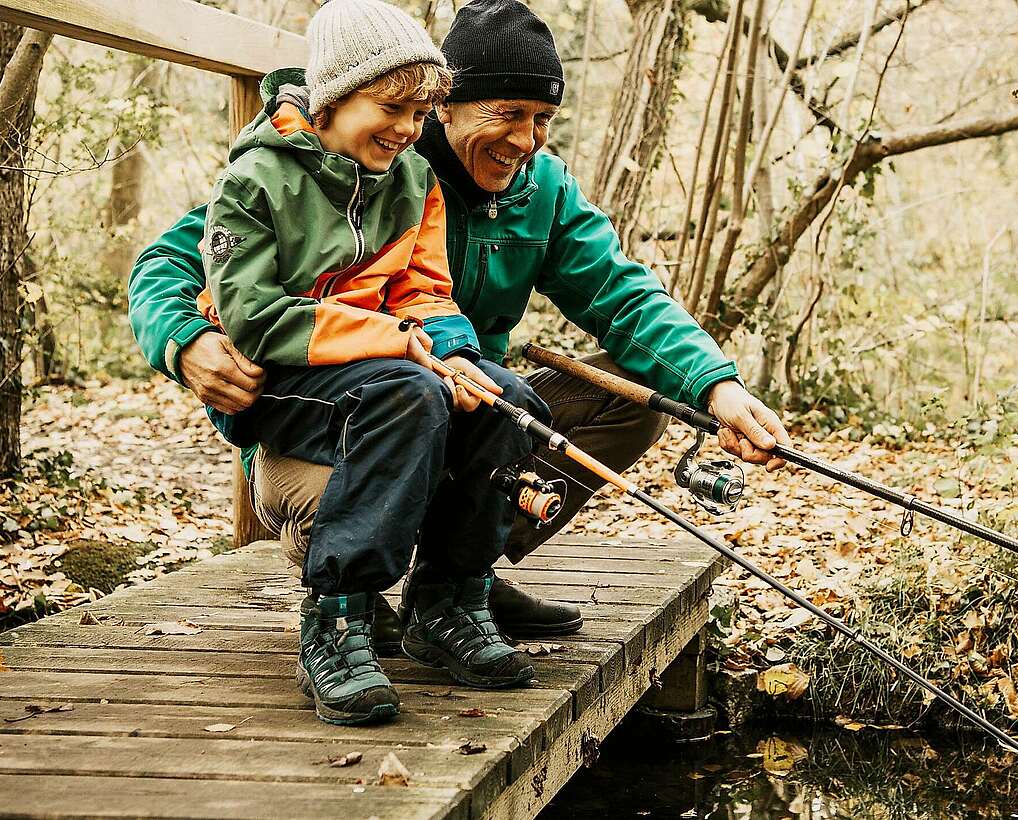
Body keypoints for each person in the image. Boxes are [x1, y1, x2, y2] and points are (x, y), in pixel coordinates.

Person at [128, 0, 789, 661]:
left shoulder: (542, 190)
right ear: (446, 104)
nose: (525, 140)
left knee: (622, 394)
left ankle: (457, 578)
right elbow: (175, 260)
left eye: (541, 121)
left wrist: (717, 390)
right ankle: (347, 581)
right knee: (396, 426)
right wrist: (184, 339)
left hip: (473, 402)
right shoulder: (352, 161)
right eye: (507, 114)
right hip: (340, 415)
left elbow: (623, 296)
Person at [189, 0, 550, 727]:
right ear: (330, 97)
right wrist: (390, 338)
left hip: (387, 369)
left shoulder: (414, 181)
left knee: (506, 400)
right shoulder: (255, 180)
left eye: (420, 113)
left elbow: (425, 289)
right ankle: (338, 620)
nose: (407, 129)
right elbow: (256, 320)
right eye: (390, 107)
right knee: (406, 396)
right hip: (284, 381)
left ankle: (448, 604)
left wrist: (455, 355)